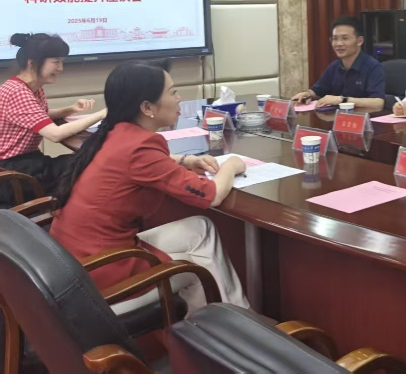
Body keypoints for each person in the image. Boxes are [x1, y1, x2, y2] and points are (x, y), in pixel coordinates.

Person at [50, 61, 249, 315]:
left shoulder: (115, 133)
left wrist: (186, 160)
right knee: (198, 271)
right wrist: (231, 165)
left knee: (201, 229)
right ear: (147, 107)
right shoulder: (141, 146)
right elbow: (212, 195)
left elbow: (136, 162)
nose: (179, 99)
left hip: (74, 262)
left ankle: (230, 317)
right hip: (101, 277)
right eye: (173, 92)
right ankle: (224, 326)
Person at [0, 33, 105, 196]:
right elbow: (55, 134)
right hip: (13, 174)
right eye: (56, 62)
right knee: (89, 163)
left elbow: (37, 116)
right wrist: (104, 113)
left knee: (83, 161)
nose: (60, 68)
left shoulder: (29, 86)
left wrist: (71, 109)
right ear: (32, 63)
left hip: (25, 163)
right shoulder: (18, 93)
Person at [291, 16, 385, 110]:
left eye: (345, 38)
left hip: (364, 117)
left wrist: (343, 100)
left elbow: (378, 103)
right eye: (335, 39)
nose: (338, 44)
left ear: (359, 41)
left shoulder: (373, 66)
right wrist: (307, 94)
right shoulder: (334, 66)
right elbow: (318, 91)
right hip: (338, 117)